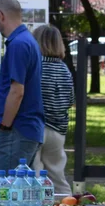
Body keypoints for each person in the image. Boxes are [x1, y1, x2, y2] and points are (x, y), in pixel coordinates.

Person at [0, 0, 45, 172]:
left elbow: (17, 91)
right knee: (20, 192)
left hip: (16, 130)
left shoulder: (18, 44)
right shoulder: (28, 41)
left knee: (6, 191)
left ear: (1, 16)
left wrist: (5, 126)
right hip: (26, 129)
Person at [30, 25, 73, 193]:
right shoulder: (64, 69)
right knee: (57, 172)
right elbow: (70, 100)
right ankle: (66, 203)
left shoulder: (34, 67)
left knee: (35, 173)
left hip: (36, 126)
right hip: (58, 128)